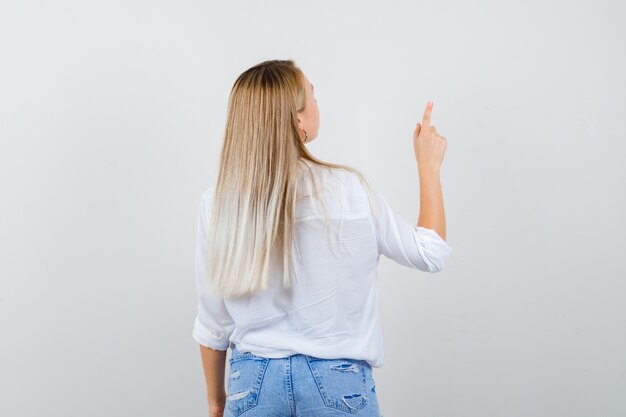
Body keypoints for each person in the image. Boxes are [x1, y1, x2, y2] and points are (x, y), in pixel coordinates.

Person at [192, 59, 451, 417]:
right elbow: (430, 252)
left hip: (252, 385)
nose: (317, 103)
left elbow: (213, 324)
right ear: (298, 119)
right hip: (338, 382)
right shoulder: (350, 190)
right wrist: (428, 166)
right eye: (312, 95)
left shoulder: (218, 203)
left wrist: (216, 402)